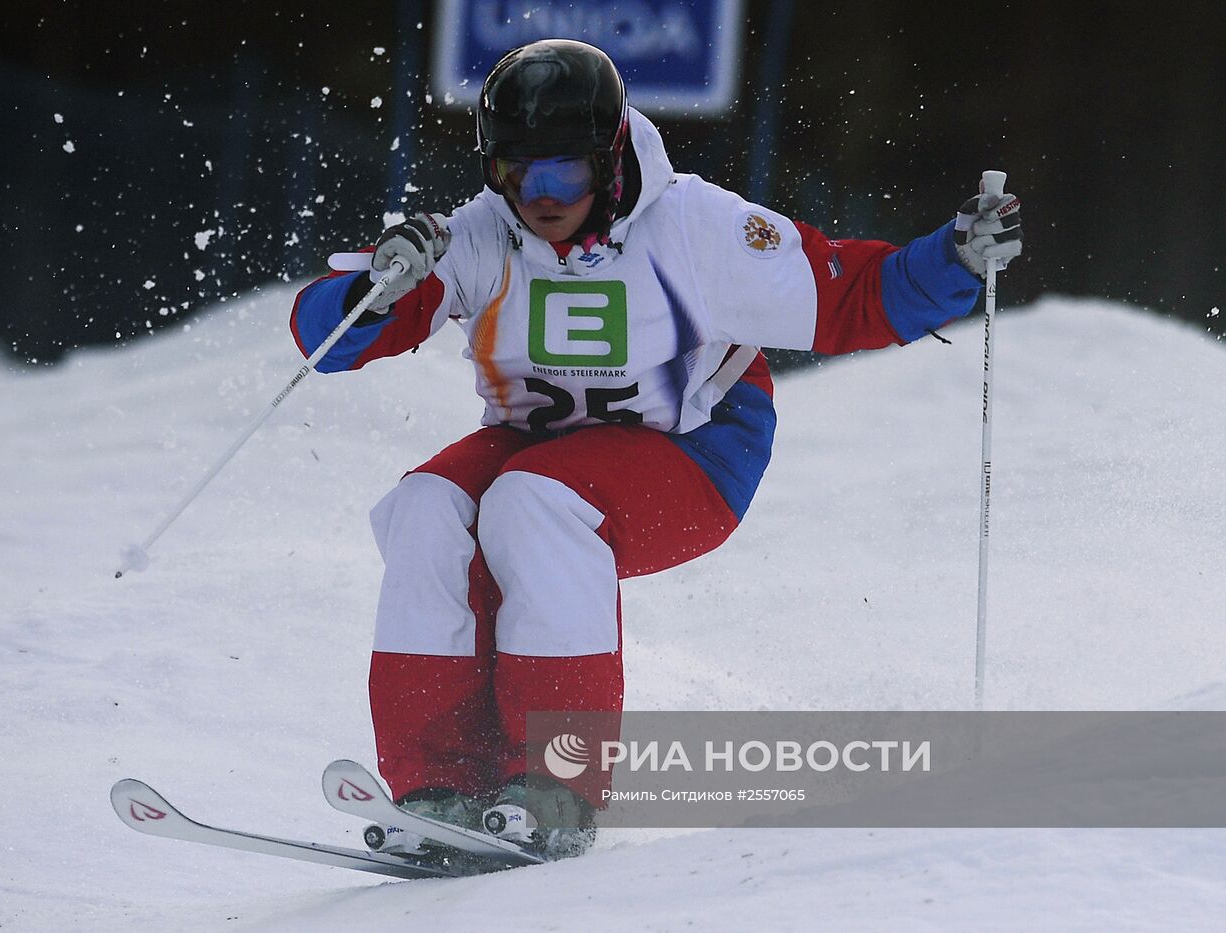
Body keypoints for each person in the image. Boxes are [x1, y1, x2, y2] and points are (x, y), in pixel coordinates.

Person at [289, 38, 1022, 860]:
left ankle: (557, 787)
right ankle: (442, 785)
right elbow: (330, 342)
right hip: (545, 445)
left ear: (606, 160)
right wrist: (375, 288)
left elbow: (845, 292)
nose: (539, 198)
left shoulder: (695, 228)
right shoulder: (478, 236)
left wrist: (957, 261)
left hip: (697, 449)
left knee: (531, 501)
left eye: (562, 174)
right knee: (427, 508)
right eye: (515, 173)